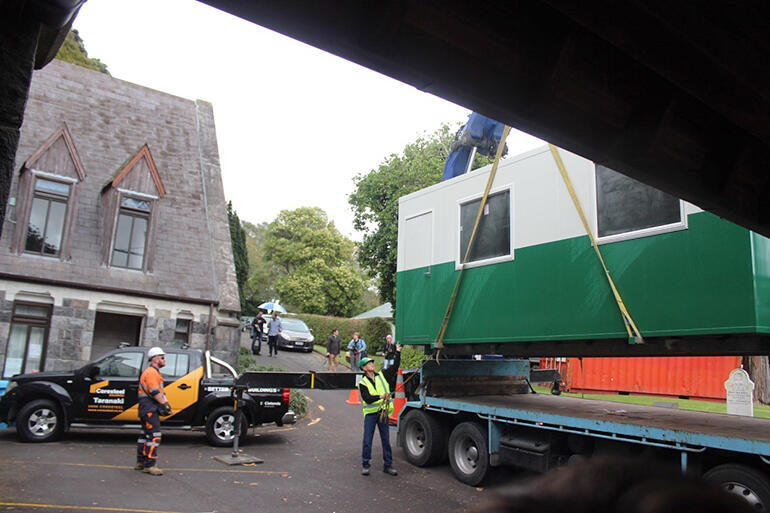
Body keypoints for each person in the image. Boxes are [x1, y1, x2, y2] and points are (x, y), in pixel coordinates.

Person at [358, 343, 401, 477]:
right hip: (371, 415)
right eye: (369, 364)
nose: (372, 364)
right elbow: (368, 398)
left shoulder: (382, 375)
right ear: (365, 368)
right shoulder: (362, 383)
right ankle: (366, 465)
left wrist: (398, 352)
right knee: (367, 440)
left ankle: (388, 465)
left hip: (383, 413)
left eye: (372, 363)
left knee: (386, 440)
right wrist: (380, 396)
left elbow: (394, 367)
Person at [135, 346, 172, 476]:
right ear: (155, 359)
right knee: (154, 436)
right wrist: (164, 404)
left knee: (145, 435)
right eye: (162, 357)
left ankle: (141, 461)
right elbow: (154, 391)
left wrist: (165, 402)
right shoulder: (151, 372)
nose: (164, 360)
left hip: (147, 408)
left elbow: (161, 391)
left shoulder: (155, 373)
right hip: (149, 408)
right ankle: (150, 465)